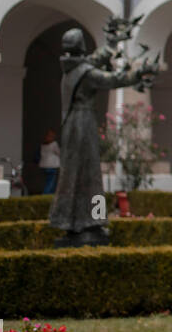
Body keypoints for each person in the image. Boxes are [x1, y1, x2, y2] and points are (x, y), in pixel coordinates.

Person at [48, 27, 158, 245]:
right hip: (83, 124)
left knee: (75, 176)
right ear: (81, 46)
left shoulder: (71, 69)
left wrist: (112, 44)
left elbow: (95, 59)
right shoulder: (86, 73)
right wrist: (138, 73)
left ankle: (76, 220)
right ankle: (92, 221)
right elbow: (112, 80)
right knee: (89, 177)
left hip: (72, 124)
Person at [38, 129, 60, 194]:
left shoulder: (43, 144)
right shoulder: (54, 144)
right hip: (52, 166)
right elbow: (59, 153)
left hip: (44, 165)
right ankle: (45, 196)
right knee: (50, 183)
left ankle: (50, 196)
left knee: (49, 182)